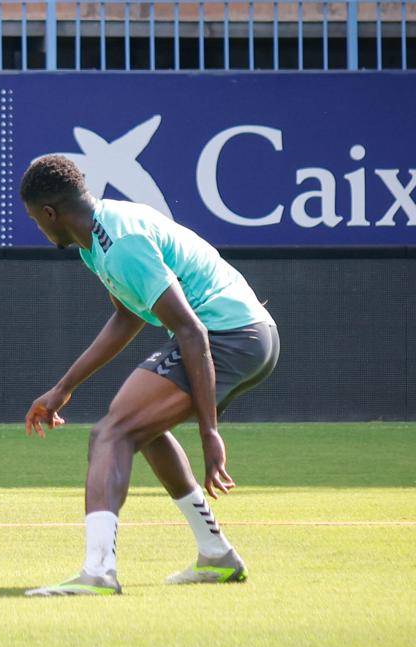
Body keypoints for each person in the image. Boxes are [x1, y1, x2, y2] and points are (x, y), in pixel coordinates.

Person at [19, 155, 279, 596]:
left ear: (50, 214)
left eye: (36, 221)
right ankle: (216, 556)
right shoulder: (96, 241)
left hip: (230, 335)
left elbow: (192, 331)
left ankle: (98, 572)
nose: (40, 230)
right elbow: (126, 317)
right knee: (137, 425)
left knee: (110, 434)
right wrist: (64, 388)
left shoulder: (120, 243)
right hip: (237, 333)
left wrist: (209, 431)